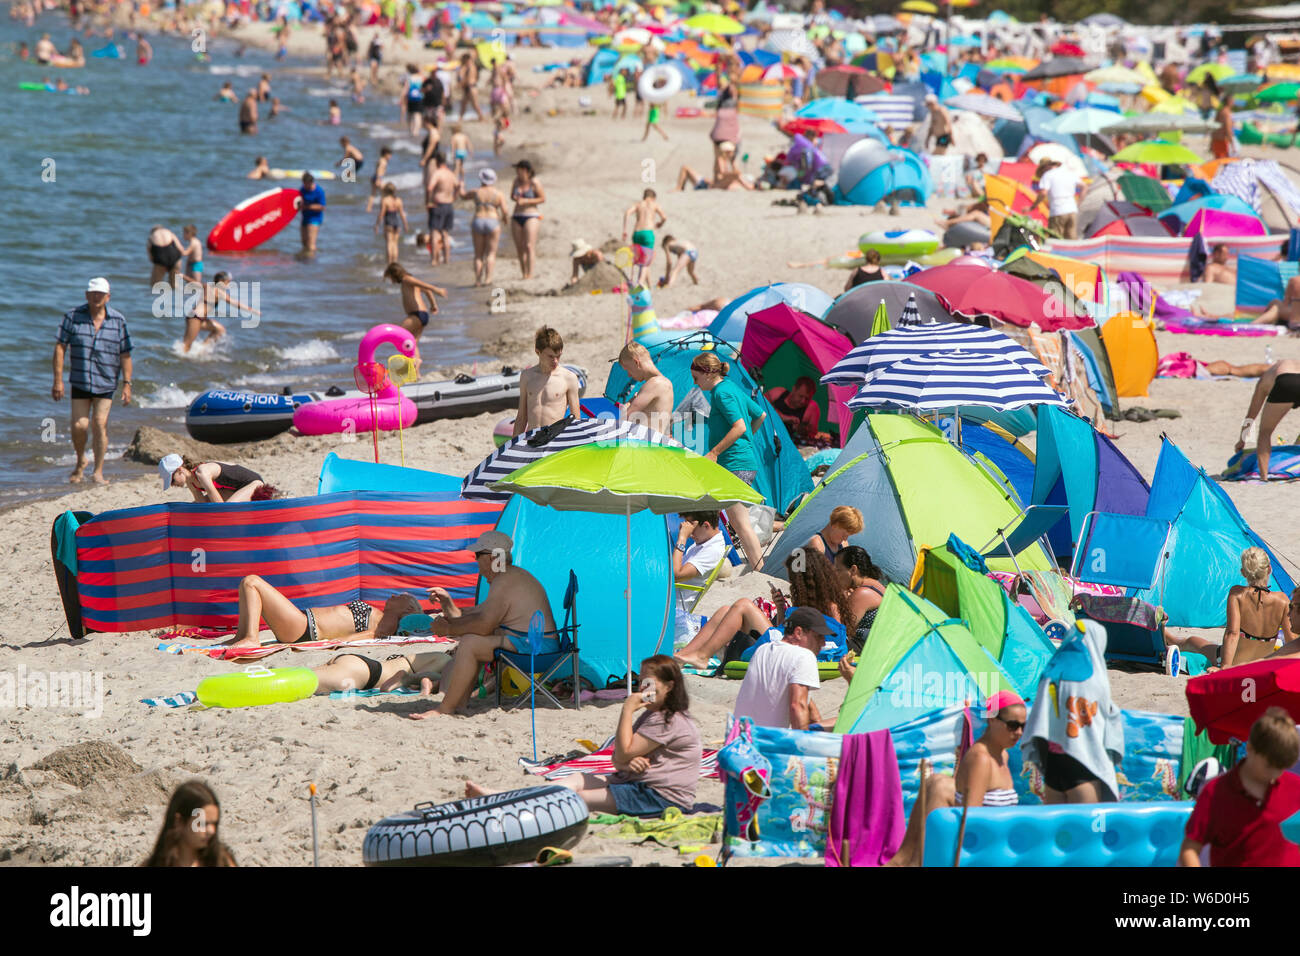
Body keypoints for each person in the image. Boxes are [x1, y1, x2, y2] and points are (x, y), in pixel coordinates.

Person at [466, 656, 701, 814]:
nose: (642, 689)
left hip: (658, 797)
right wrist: (627, 759)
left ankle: (505, 804)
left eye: (648, 683)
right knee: (576, 780)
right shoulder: (652, 714)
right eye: (640, 682)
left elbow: (621, 754)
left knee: (573, 799)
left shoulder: (666, 718)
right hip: (635, 783)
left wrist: (628, 709)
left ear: (669, 686)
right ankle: (501, 796)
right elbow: (618, 760)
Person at [411, 531, 559, 717]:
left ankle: (445, 709)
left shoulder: (504, 580)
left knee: (472, 643)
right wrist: (447, 603)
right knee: (472, 640)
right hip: (532, 644)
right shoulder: (507, 577)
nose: (477, 565)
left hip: (537, 648)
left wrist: (447, 629)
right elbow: (473, 616)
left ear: (491, 558)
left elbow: (482, 625)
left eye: (477, 556)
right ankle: (460, 703)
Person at [887, 691, 1026, 866]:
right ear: (992, 719)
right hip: (986, 855)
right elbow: (971, 822)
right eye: (1013, 725)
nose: (1019, 732)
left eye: (1024, 726)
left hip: (998, 850)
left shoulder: (1002, 755)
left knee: (938, 782)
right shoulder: (981, 758)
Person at [676, 549, 846, 670]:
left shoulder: (831, 606)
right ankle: (685, 655)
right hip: (784, 639)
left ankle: (702, 656)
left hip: (794, 647)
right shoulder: (803, 600)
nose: (791, 583)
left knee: (743, 605)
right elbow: (785, 630)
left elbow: (834, 641)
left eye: (793, 579)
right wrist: (781, 609)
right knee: (725, 611)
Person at [1179, 707, 1300, 867]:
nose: (1276, 773)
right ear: (1250, 748)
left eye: (1282, 766)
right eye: (1269, 765)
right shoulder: (1216, 792)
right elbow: (1190, 850)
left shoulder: (1295, 787)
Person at [690, 352, 766, 572]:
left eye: (696, 378)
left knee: (740, 523)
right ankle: (757, 566)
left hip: (735, 463)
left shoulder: (721, 393)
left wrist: (715, 452)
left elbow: (740, 426)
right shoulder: (731, 387)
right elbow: (760, 415)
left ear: (707, 373)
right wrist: (746, 442)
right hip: (742, 460)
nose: (695, 384)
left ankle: (760, 569)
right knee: (738, 521)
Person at [53, 278, 132, 485]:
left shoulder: (118, 321)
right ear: (86, 295)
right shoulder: (72, 317)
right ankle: (81, 461)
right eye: (92, 293)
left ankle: (98, 470)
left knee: (99, 423)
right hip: (80, 380)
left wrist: (127, 383)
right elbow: (60, 347)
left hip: (106, 381)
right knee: (79, 426)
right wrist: (58, 380)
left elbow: (125, 354)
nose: (96, 297)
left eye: (100, 293)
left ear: (108, 297)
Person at [226, 576, 423, 648]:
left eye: (402, 596)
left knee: (252, 582)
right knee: (247, 583)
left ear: (408, 609)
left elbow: (376, 635)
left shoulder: (387, 619)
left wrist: (341, 642)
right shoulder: (381, 614)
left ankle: (251, 637)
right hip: (303, 624)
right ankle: (242, 636)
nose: (396, 595)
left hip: (305, 629)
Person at [733, 607, 829, 729]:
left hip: (738, 739)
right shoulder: (804, 656)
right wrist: (803, 745)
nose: (823, 643)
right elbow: (797, 706)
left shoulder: (763, 649)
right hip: (766, 744)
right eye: (819, 637)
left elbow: (809, 709)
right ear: (798, 633)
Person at [1220, 547, 1297, 668]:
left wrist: (1225, 666)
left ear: (1243, 572)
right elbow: (1291, 638)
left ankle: (1179, 642)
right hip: (1263, 663)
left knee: (1195, 642)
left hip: (1236, 661)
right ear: (1269, 569)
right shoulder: (1282, 600)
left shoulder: (1237, 594)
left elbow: (1232, 633)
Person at [143, 781, 236, 867]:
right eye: (202, 823)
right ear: (179, 821)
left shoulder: (222, 861)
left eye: (214, 824)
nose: (211, 831)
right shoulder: (155, 864)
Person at [1234, 359, 1300, 480]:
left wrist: (1242, 440)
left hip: (1286, 381)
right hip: (1291, 378)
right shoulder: (1288, 364)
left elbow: (1251, 415)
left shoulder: (1264, 379)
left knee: (1265, 432)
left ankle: (1264, 477)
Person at [514, 326, 581, 434]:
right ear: (537, 352)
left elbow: (576, 419)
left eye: (558, 356)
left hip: (555, 439)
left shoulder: (569, 378)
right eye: (550, 356)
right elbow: (521, 417)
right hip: (532, 438)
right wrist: (514, 446)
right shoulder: (527, 376)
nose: (555, 361)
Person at [159, 453, 275, 502]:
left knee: (228, 508)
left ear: (180, 470)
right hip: (236, 489)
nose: (172, 485)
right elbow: (203, 504)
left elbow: (218, 505)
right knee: (194, 507)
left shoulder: (201, 472)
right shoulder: (191, 482)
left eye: (172, 480)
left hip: (254, 483)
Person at [834, 546, 885, 655]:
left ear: (853, 570)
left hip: (864, 650)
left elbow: (840, 630)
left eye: (838, 570)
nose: (835, 575)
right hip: (877, 648)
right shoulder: (877, 586)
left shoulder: (862, 594)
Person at [382, 262, 446, 347]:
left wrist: (436, 289)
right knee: (412, 343)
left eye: (390, 277)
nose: (391, 281)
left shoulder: (407, 279)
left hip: (417, 315)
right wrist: (433, 305)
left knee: (398, 334)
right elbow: (427, 291)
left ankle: (412, 359)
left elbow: (425, 286)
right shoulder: (409, 282)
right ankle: (416, 360)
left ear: (395, 273)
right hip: (422, 315)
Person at [618, 340, 673, 434]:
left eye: (628, 370)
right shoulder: (664, 383)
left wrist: (628, 404)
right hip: (654, 443)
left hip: (646, 445)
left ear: (636, 363)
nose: (629, 375)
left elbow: (625, 418)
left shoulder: (655, 384)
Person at [465, 168, 508, 286]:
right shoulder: (498, 193)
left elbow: (463, 196)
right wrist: (505, 219)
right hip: (492, 220)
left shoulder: (476, 191)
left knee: (478, 255)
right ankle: (488, 279)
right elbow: (505, 210)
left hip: (478, 219)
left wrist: (460, 184)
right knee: (491, 253)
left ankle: (477, 280)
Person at [622, 189, 667, 287]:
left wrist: (625, 230)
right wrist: (660, 224)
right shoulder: (655, 204)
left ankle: (649, 285)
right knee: (647, 260)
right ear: (653, 198)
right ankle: (640, 282)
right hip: (648, 232)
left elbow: (627, 213)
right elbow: (664, 217)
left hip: (637, 233)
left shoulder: (638, 204)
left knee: (641, 260)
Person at [509, 160, 545, 279]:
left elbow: (542, 198)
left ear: (527, 171)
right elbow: (512, 196)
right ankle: (524, 273)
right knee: (520, 247)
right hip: (517, 215)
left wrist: (527, 201)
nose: (518, 173)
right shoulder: (516, 181)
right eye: (517, 170)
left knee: (529, 246)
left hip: (531, 215)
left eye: (520, 170)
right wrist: (516, 197)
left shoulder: (534, 183)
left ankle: (530, 273)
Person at [424, 149, 458, 265]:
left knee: (434, 232)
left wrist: (428, 202)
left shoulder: (437, 173)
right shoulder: (451, 174)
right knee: (445, 232)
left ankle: (434, 260)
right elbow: (458, 185)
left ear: (437, 161)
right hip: (449, 204)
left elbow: (429, 187)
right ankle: (447, 259)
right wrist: (454, 197)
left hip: (438, 204)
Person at [1034, 158, 1081, 240]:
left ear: (1046, 167)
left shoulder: (1048, 175)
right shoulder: (1068, 173)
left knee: (1055, 238)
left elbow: (1043, 193)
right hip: (1072, 210)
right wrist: (1078, 203)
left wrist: (1033, 206)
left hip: (1058, 210)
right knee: (1072, 238)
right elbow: (1084, 187)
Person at [766, 377, 822, 444]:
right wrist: (784, 418)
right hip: (765, 434)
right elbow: (759, 405)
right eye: (801, 396)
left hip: (786, 443)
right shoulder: (777, 393)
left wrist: (802, 430)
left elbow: (812, 433)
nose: (803, 401)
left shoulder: (812, 408)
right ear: (794, 389)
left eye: (807, 399)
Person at [374, 183, 408, 265]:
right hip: (396, 222)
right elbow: (402, 214)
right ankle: (395, 261)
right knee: (395, 244)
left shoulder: (385, 200)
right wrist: (405, 224)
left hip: (388, 222)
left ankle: (389, 263)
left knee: (389, 243)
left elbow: (382, 213)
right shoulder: (398, 200)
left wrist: (377, 224)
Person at [299, 172, 326, 253]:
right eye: (305, 184)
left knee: (311, 244)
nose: (307, 186)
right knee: (304, 242)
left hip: (315, 218)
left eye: (308, 184)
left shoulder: (319, 191)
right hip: (305, 217)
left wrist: (307, 207)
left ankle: (311, 262)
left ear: (311, 182)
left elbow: (322, 207)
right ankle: (305, 261)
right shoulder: (302, 189)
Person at [456, 51, 482, 121]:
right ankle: (460, 118)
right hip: (471, 86)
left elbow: (463, 77)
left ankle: (481, 117)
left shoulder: (468, 67)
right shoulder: (472, 66)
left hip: (471, 87)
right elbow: (476, 77)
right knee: (464, 104)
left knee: (474, 104)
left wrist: (460, 83)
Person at [366, 146, 392, 212]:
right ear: (386, 154)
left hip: (375, 177)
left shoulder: (380, 159)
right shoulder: (383, 161)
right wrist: (378, 179)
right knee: (386, 193)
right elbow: (379, 169)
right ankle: (384, 208)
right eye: (389, 155)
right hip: (378, 178)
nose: (390, 157)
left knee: (373, 194)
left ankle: (369, 208)